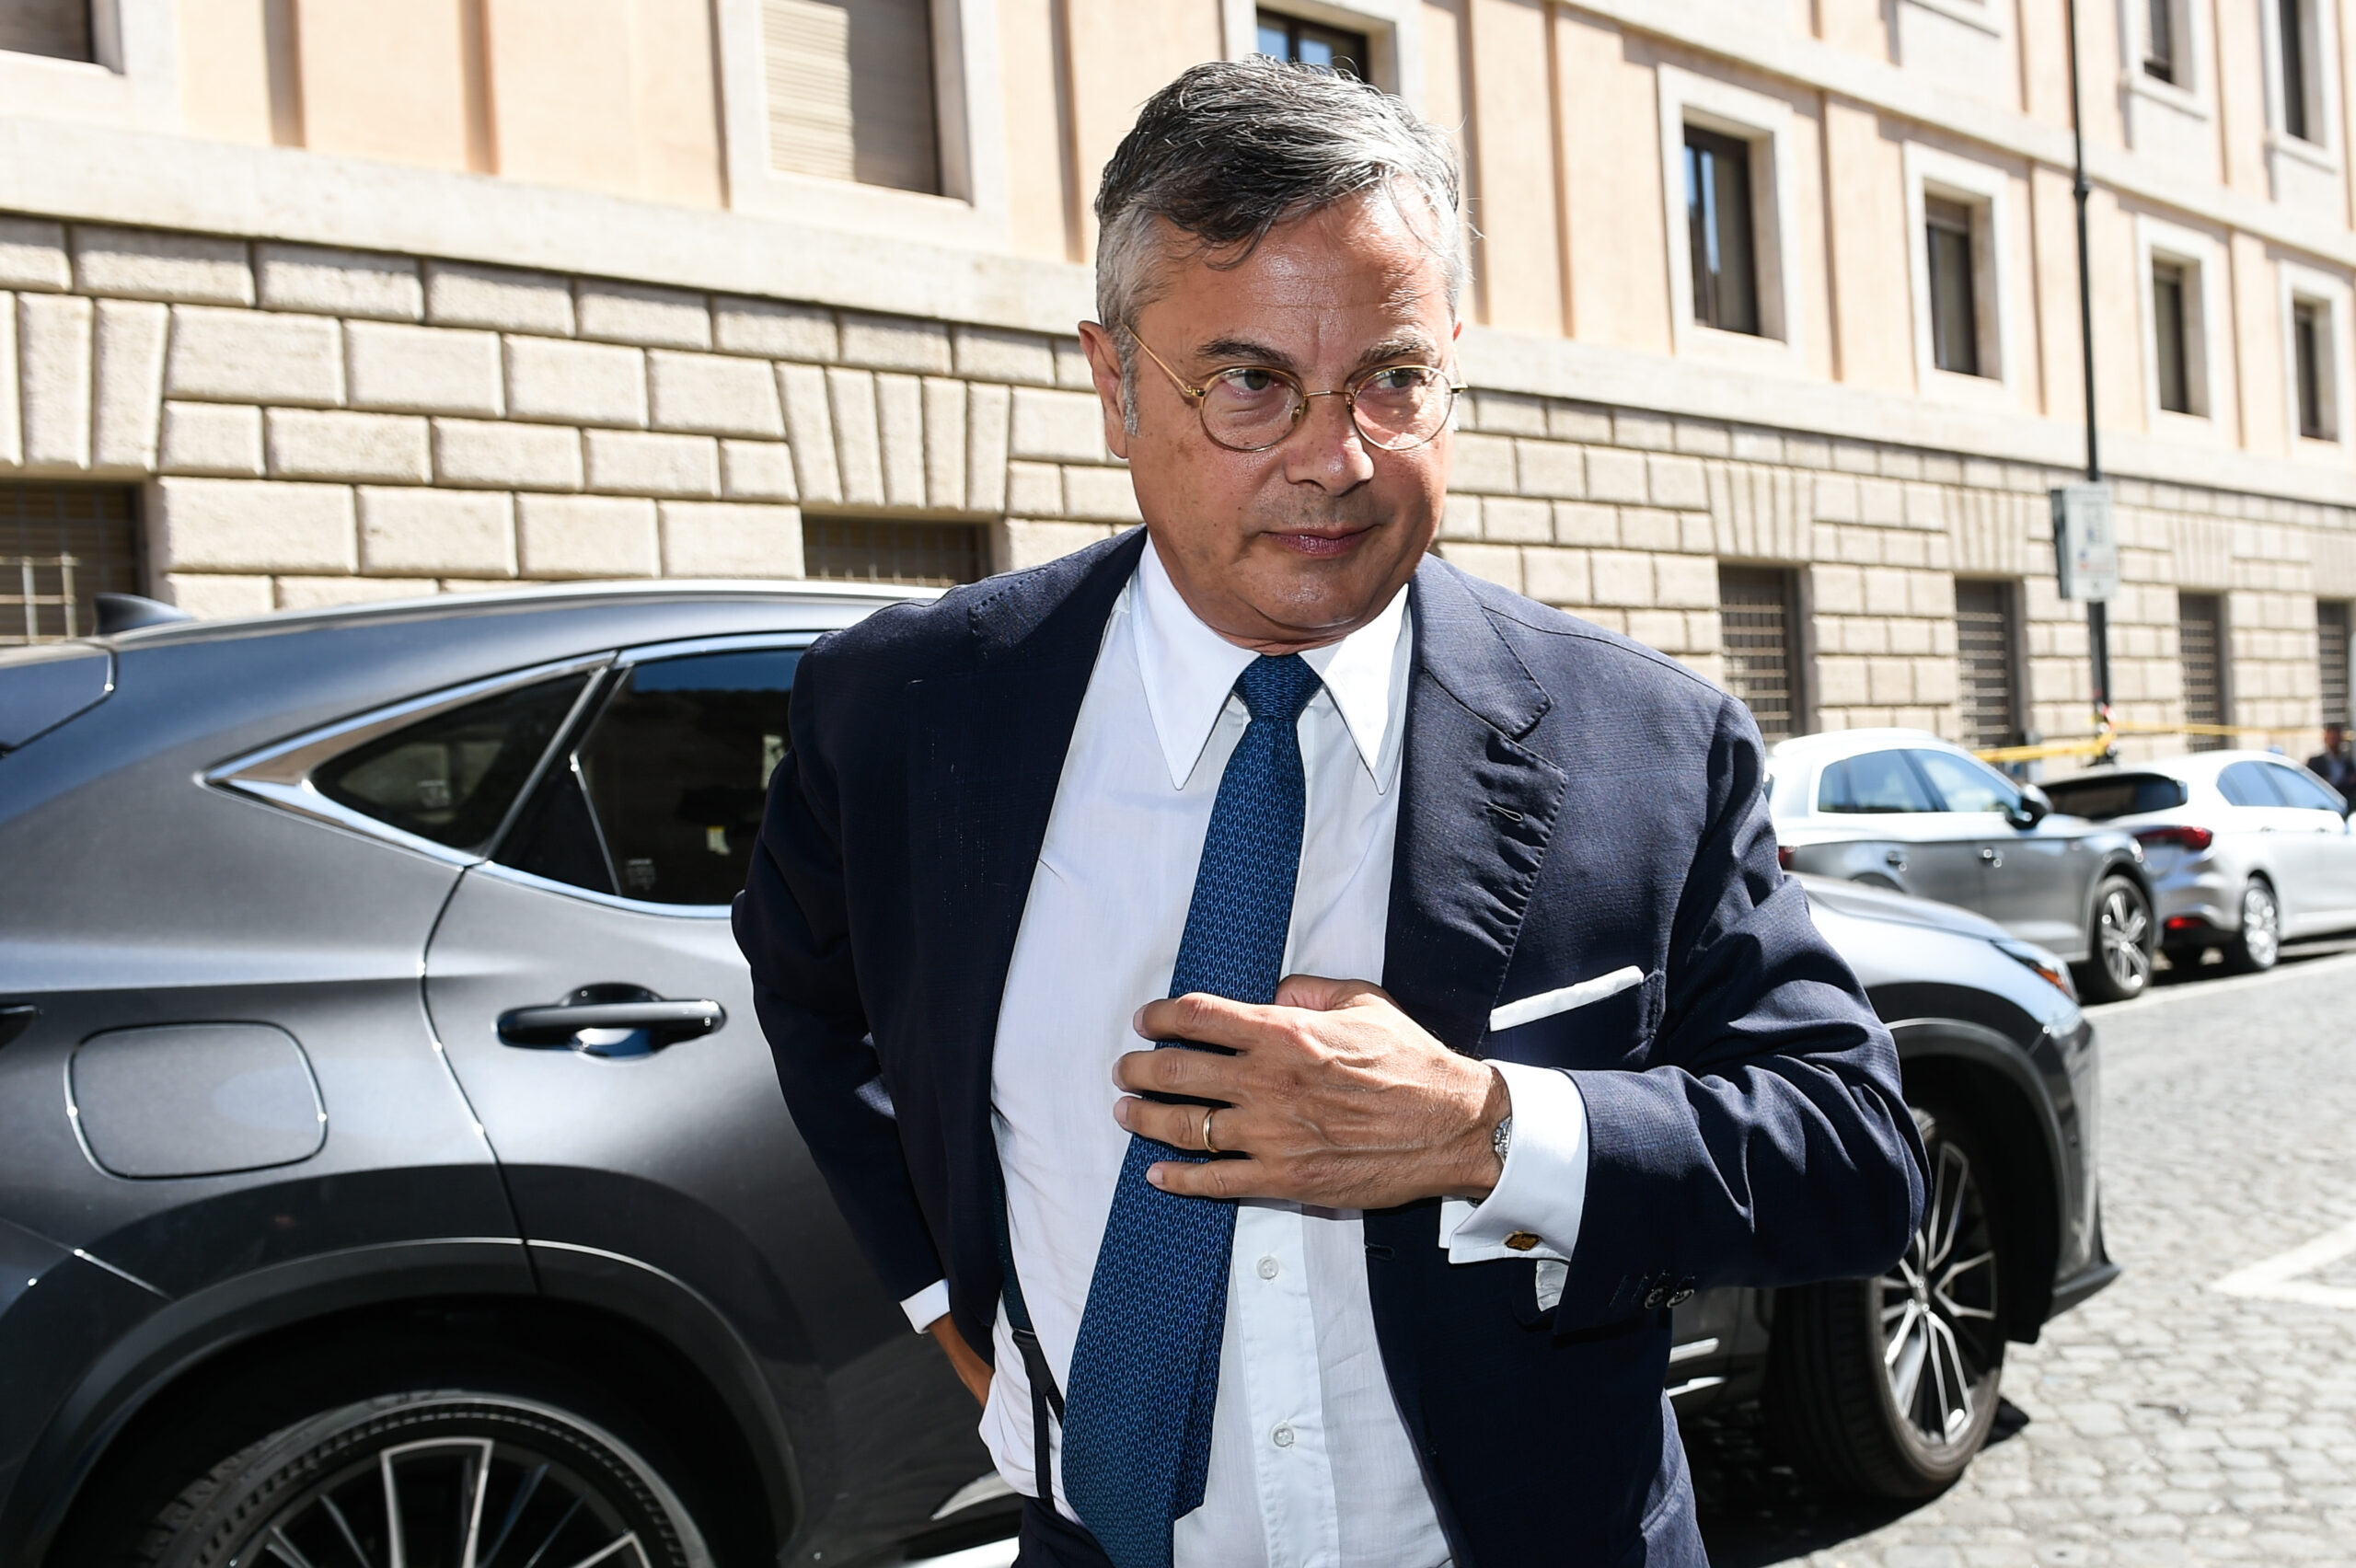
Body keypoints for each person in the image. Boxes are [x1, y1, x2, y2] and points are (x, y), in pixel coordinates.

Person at [736, 58, 1923, 1568]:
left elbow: (1852, 1154)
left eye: (1391, 379)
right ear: (1114, 384)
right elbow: (812, 998)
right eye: (1249, 383)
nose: (1335, 458)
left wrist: (1487, 1129)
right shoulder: (906, 712)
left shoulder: (1649, 744)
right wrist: (943, 1299)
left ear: (1452, 368)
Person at [2309, 723, 2354, 796]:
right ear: (2326, 739)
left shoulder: (2347, 762)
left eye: (2336, 737)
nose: (2334, 741)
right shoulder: (2316, 762)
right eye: (2332, 738)